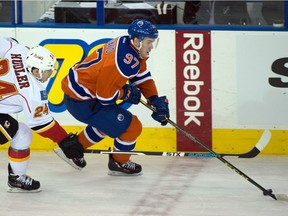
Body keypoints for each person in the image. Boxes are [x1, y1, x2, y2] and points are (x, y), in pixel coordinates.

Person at [61, 19, 170, 176]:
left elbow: (142, 76)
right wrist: (124, 93)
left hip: (81, 96)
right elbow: (105, 97)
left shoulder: (128, 45)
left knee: (109, 123)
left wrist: (154, 99)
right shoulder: (120, 61)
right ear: (137, 40)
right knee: (132, 127)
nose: (151, 46)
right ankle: (119, 161)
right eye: (149, 42)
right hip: (83, 102)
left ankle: (74, 149)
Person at [0, 37, 85, 192]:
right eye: (48, 71)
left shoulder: (19, 50)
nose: (50, 74)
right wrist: (64, 141)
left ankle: (16, 178)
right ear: (36, 70)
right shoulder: (33, 92)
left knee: (22, 133)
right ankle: (16, 178)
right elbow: (42, 124)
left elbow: (6, 41)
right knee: (22, 135)